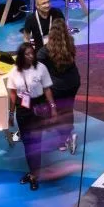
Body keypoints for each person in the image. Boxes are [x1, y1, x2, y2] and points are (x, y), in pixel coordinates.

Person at [7, 42, 57, 191]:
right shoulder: (14, 72)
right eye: (27, 54)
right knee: (27, 143)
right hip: (22, 108)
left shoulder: (41, 68)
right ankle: (33, 171)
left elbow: (47, 89)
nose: (31, 56)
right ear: (21, 56)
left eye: (32, 53)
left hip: (38, 106)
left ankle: (34, 175)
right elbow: (13, 94)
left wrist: (53, 108)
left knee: (36, 142)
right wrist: (11, 113)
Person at [37, 20, 81, 154]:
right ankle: (67, 134)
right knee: (68, 109)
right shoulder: (71, 43)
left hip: (57, 87)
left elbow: (36, 65)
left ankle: (63, 140)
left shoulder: (45, 50)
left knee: (57, 111)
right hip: (73, 82)